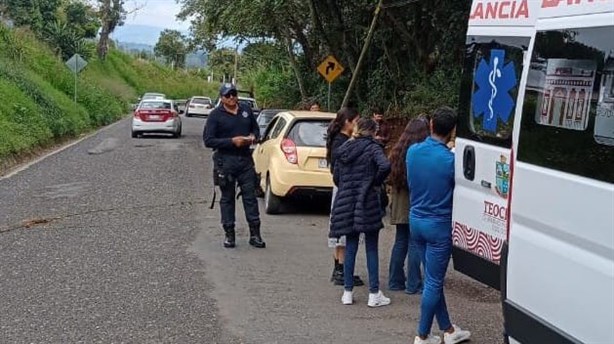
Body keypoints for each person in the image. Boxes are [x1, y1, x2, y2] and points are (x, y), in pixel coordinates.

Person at [407, 107, 470, 344]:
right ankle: (422, 335)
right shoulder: (450, 161)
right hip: (439, 225)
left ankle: (448, 329)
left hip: (416, 220)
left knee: (432, 278)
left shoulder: (412, 152)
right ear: (452, 130)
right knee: (433, 281)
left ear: (431, 124)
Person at [330, 118, 391, 307]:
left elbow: (336, 176)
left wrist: (346, 186)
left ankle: (347, 292)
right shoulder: (373, 148)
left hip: (347, 200)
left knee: (351, 245)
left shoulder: (345, 149)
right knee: (371, 246)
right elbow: (385, 166)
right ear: (373, 131)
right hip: (367, 200)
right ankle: (374, 293)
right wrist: (374, 182)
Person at [203, 83, 266, 249]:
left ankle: (255, 234)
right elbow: (208, 141)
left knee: (250, 198)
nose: (232, 97)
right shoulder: (215, 115)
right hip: (226, 160)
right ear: (222, 98)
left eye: (234, 94)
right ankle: (229, 234)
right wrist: (231, 141)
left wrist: (253, 137)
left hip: (245, 160)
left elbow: (256, 131)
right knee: (227, 199)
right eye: (227, 95)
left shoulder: (246, 110)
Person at [387, 116, 429, 294]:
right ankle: (414, 283)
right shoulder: (421, 152)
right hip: (415, 200)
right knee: (415, 243)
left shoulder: (398, 150)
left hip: (399, 200)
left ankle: (395, 280)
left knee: (400, 241)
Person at [325, 107, 363, 287]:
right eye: (356, 120)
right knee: (343, 229)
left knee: (341, 229)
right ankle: (341, 269)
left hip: (342, 188)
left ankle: (340, 269)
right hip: (343, 189)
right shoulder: (342, 141)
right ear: (348, 122)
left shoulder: (342, 139)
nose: (358, 124)